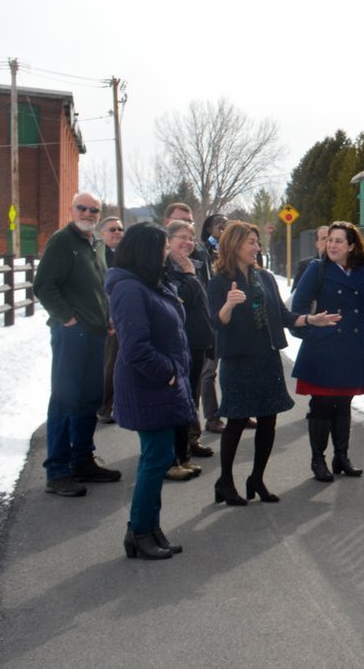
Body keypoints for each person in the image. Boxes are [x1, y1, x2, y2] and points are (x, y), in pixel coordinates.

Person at [207, 221, 339, 506]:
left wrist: (310, 320)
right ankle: (225, 481)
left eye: (257, 242)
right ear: (234, 245)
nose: (257, 247)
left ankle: (257, 478)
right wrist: (228, 305)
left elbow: (283, 315)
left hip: (267, 357)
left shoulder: (265, 278)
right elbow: (216, 323)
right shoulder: (219, 281)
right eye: (251, 242)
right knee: (237, 420)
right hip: (238, 360)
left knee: (268, 420)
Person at [106, 223, 197, 559]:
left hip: (160, 385)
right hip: (150, 385)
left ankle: (150, 528)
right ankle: (139, 532)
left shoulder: (149, 283)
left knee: (157, 458)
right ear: (146, 251)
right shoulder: (129, 288)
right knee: (156, 457)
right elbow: (135, 347)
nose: (166, 253)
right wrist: (168, 373)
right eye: (162, 247)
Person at [33, 192, 122, 497]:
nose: (88, 213)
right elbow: (43, 286)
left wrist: (106, 318)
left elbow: (99, 288)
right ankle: (57, 471)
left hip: (96, 334)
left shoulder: (96, 243)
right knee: (65, 400)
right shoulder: (62, 241)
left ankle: (82, 460)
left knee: (90, 398)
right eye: (82, 208)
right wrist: (68, 318)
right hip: (71, 334)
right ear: (72, 210)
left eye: (94, 210)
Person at [292, 222, 364, 482]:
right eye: (329, 240)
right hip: (322, 348)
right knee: (322, 404)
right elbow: (298, 307)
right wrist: (314, 333)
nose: (331, 245)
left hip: (353, 347)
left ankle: (341, 457)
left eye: (338, 241)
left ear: (351, 246)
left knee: (344, 402)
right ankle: (318, 460)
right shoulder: (317, 269)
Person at [164, 219, 216, 480]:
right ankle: (173, 457)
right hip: (178, 344)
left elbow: (203, 305)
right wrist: (188, 275)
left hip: (196, 342)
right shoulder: (166, 269)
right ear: (168, 241)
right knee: (178, 401)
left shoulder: (194, 264)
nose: (187, 242)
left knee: (190, 399)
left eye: (190, 238)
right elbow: (181, 300)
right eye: (181, 237)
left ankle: (186, 450)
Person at [199, 213, 228, 434]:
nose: (224, 229)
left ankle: (238, 412)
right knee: (209, 371)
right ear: (209, 228)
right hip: (210, 319)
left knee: (234, 368)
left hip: (231, 316)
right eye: (220, 225)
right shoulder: (202, 251)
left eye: (227, 225)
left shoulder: (230, 250)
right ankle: (212, 417)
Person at [97, 217, 124, 424]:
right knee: (109, 365)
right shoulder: (98, 256)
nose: (117, 233)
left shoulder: (124, 255)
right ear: (102, 233)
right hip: (108, 319)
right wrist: (109, 317)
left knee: (120, 364)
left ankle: (115, 404)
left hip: (124, 316)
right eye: (112, 229)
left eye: (120, 229)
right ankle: (103, 407)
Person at [292, 224, 328, 291]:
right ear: (317, 244)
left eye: (330, 239)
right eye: (323, 239)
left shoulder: (339, 264)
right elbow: (295, 292)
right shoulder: (305, 265)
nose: (327, 242)